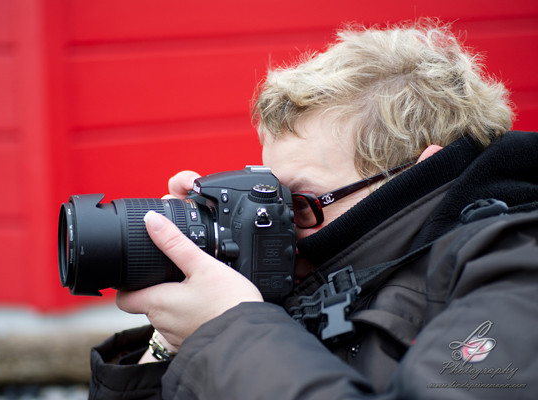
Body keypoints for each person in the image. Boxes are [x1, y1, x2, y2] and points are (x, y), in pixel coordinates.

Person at [89, 21, 538, 399]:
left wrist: (231, 332)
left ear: (418, 173)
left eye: (297, 204)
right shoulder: (311, 285)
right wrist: (176, 339)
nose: (277, 224)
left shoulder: (516, 273)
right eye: (268, 196)